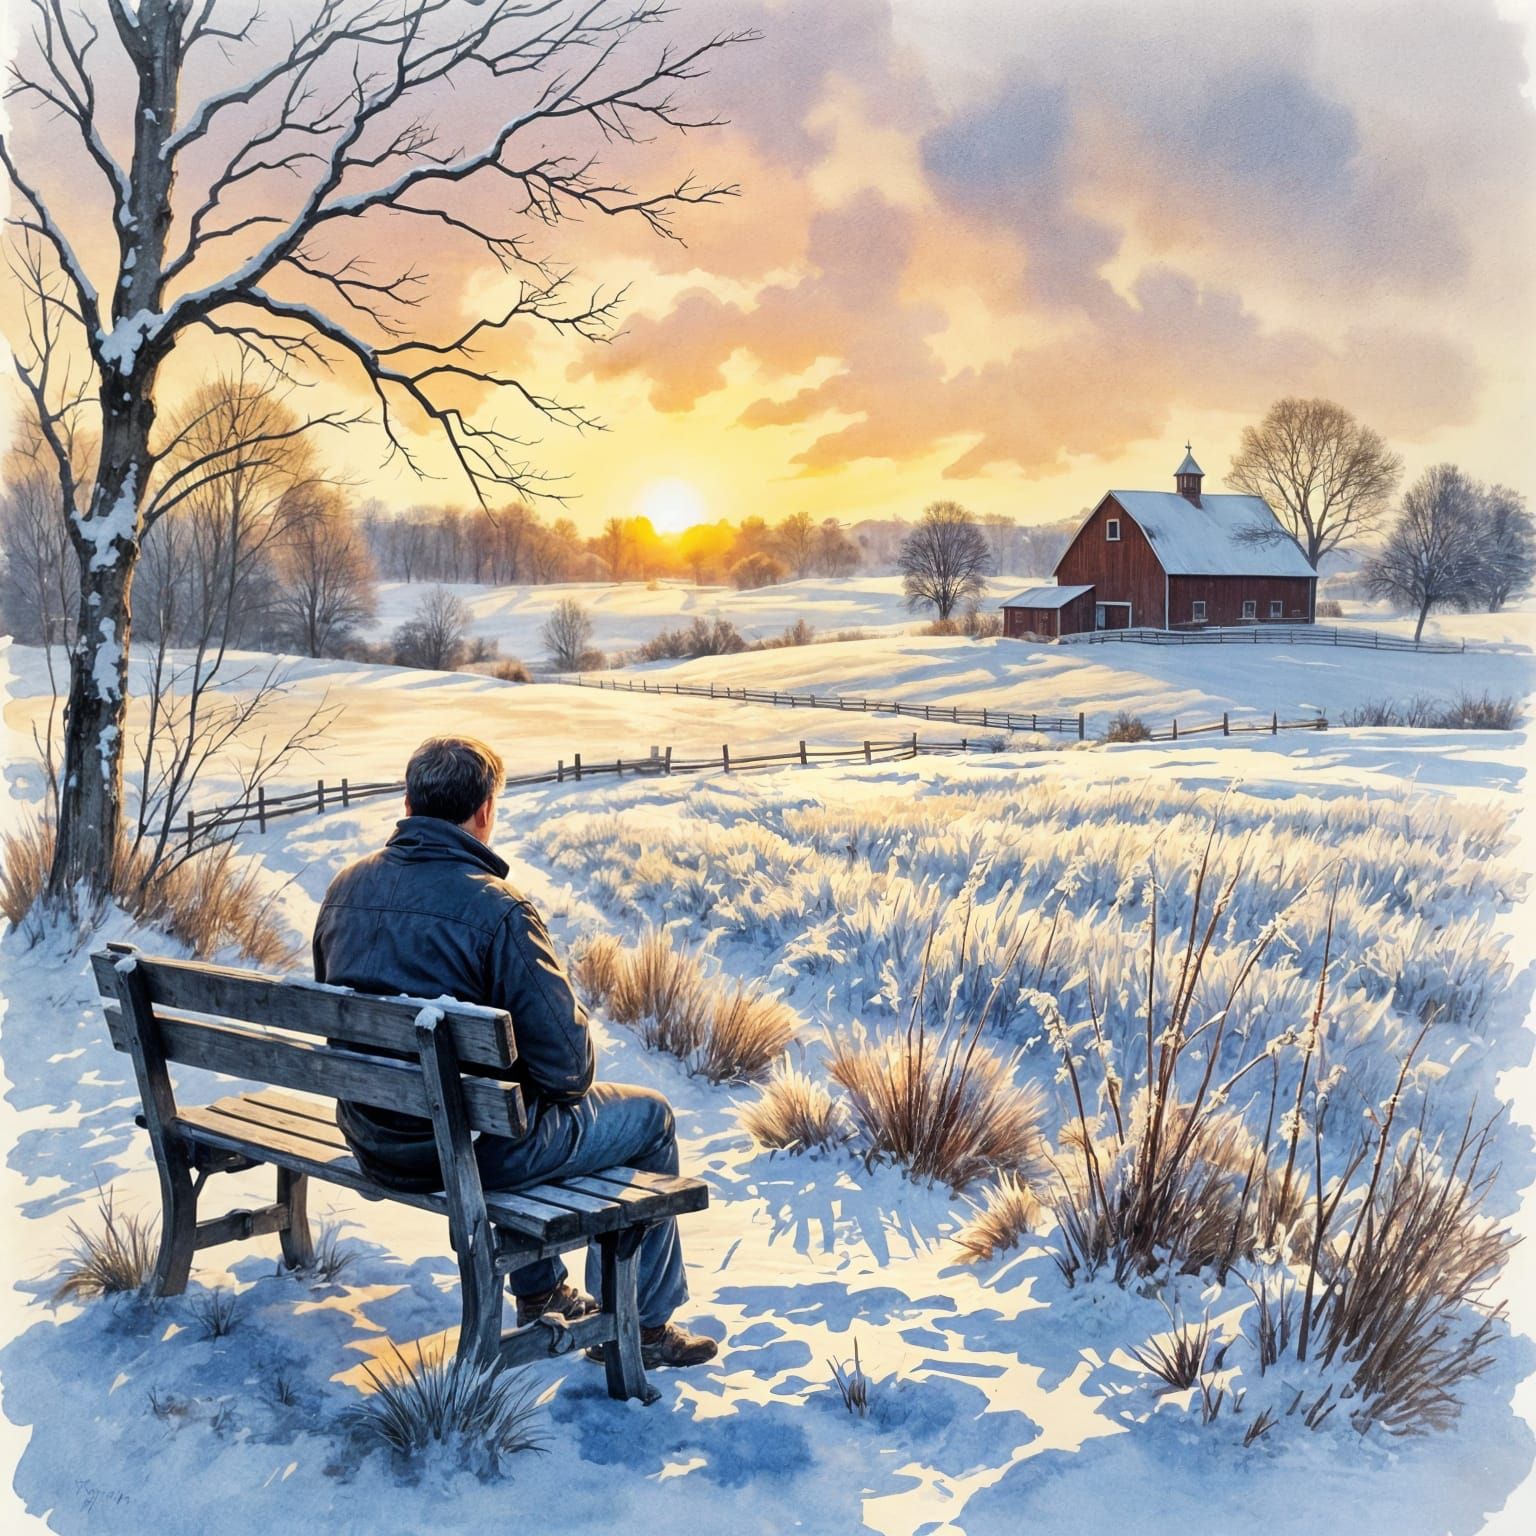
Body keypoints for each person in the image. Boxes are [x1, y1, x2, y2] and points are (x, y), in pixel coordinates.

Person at [312, 734, 716, 1369]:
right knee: (649, 1118)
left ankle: (543, 1290)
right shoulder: (498, 911)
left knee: (502, 1107)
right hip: (462, 1155)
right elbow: (570, 1071)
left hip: (374, 1136)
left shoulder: (344, 889)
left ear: (409, 803)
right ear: (484, 811)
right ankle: (639, 1326)